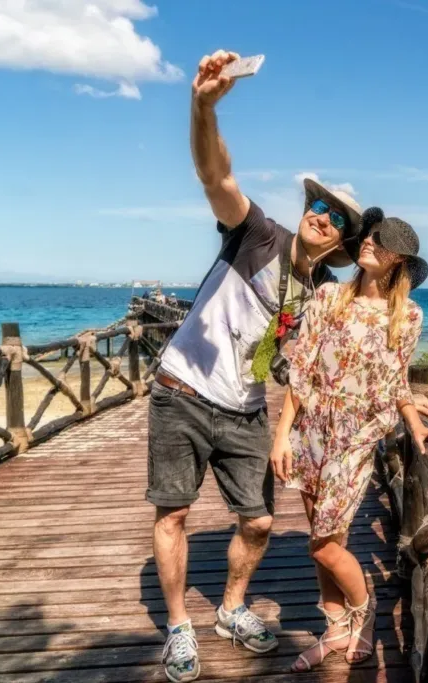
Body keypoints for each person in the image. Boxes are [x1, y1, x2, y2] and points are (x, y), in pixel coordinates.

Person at [146, 50, 362, 683]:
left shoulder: (320, 288)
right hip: (182, 387)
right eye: (318, 205)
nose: (320, 214)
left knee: (261, 520)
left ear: (342, 244)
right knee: (174, 515)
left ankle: (231, 609)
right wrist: (203, 107)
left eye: (335, 218)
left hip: (243, 407)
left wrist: (400, 404)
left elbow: (307, 363)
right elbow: (218, 178)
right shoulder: (259, 234)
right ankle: (180, 625)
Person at [269, 208, 428, 671]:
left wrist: (415, 424)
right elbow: (302, 371)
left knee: (324, 545)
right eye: (369, 235)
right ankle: (336, 630)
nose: (368, 242)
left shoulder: (406, 315)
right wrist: (281, 437)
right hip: (312, 434)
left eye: (381, 241)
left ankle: (363, 612)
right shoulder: (329, 296)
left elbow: (395, 381)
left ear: (397, 263)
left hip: (355, 441)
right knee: (323, 537)